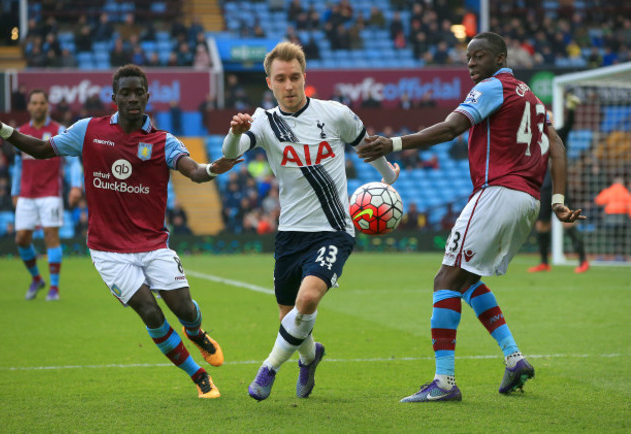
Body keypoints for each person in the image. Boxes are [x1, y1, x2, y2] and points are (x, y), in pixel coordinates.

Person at [0, 64, 241, 399]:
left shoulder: (163, 142)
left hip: (153, 245)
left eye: (139, 92)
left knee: (185, 309)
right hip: (108, 250)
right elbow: (43, 150)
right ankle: (198, 375)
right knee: (150, 311)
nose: (133, 98)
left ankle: (197, 333)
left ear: (147, 96)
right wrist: (2, 128)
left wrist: (212, 168)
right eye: (126, 92)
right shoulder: (88, 130)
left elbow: (194, 171)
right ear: (113, 97)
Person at [357, 32, 585, 402]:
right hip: (526, 200)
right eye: (468, 57)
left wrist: (394, 143)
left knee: (444, 278)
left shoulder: (492, 88)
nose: (470, 63)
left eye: (479, 56)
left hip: (498, 192)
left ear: (500, 57)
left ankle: (444, 382)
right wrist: (556, 199)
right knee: (465, 281)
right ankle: (514, 359)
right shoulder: (532, 98)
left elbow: (451, 128)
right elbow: (556, 146)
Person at [221, 42, 400, 401]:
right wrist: (236, 132)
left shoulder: (335, 114)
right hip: (290, 234)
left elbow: (369, 146)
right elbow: (229, 155)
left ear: (305, 77)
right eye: (281, 79)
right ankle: (309, 357)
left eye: (295, 77)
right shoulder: (265, 123)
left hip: (333, 229)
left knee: (307, 301)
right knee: (290, 317)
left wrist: (389, 176)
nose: (289, 86)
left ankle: (268, 369)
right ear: (269, 83)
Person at [10, 89, 83, 301]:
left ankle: (54, 287)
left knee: (51, 236)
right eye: (35, 103)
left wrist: (76, 186)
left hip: (51, 192)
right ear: (29, 107)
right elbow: (17, 165)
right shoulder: (21, 132)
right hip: (26, 194)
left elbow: (73, 161)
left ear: (47, 106)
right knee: (22, 239)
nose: (39, 106)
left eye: (42, 102)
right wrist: (15, 191)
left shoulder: (59, 130)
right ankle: (36, 279)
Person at [528, 93, 589, 273]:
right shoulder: (535, 140)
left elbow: (569, 125)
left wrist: (571, 107)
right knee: (542, 224)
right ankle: (544, 262)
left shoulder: (558, 134)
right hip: (541, 187)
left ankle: (583, 260)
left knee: (567, 221)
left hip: (557, 186)